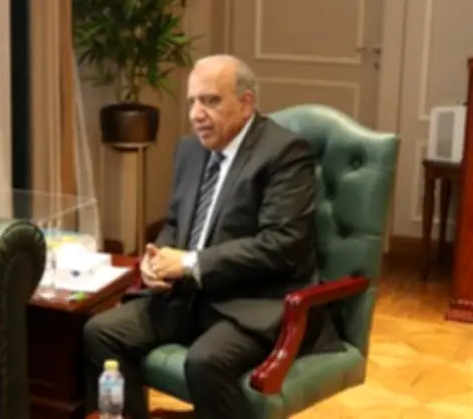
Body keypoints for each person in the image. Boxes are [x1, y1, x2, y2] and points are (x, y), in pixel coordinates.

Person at [83, 55, 343, 419]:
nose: (196, 114)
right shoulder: (190, 149)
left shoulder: (284, 152)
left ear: (246, 103)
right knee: (100, 332)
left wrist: (191, 263)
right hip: (190, 295)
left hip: (255, 301)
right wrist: (156, 261)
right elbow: (176, 223)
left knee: (206, 362)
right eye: (192, 102)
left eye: (210, 101)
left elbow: (281, 245)